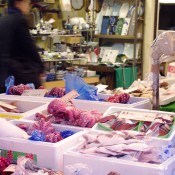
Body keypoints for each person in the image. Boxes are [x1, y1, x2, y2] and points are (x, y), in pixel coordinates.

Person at [0, 0, 44, 93]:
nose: (29, 7)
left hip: (4, 74)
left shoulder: (4, 19)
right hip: (16, 75)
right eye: (28, 3)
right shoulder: (19, 19)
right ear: (20, 2)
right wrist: (40, 67)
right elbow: (29, 47)